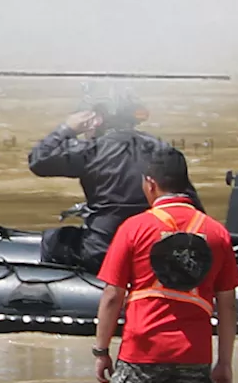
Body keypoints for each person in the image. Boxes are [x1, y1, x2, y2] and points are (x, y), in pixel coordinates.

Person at [93, 147, 238, 383]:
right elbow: (228, 306)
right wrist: (225, 362)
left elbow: (113, 296)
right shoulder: (217, 233)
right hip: (194, 355)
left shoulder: (134, 228)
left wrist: (101, 351)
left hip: (142, 351)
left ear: (150, 183)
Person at [28, 89, 203, 273]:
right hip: (153, 251)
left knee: (54, 239)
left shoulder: (91, 151)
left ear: (98, 120)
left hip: (103, 252)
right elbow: (192, 204)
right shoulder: (161, 149)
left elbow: (38, 160)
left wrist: (67, 128)